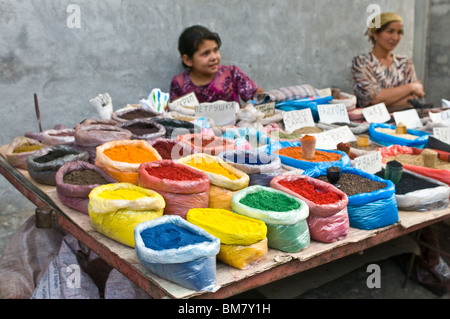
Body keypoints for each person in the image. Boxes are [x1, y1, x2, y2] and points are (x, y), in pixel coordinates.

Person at [170, 25, 263, 106]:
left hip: (234, 126)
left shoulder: (231, 74)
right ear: (187, 60)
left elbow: (260, 97)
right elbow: (176, 115)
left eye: (215, 50)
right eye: (205, 53)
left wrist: (247, 108)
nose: (214, 57)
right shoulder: (179, 83)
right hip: (196, 126)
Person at [351, 12, 425, 112]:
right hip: (372, 123)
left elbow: (412, 100)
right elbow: (372, 99)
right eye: (390, 32)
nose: (395, 37)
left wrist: (383, 99)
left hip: (405, 121)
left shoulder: (404, 62)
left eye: (399, 33)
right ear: (375, 34)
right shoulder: (362, 62)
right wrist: (411, 87)